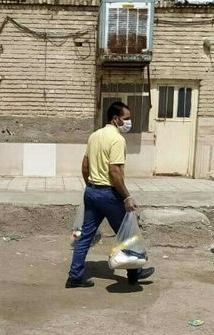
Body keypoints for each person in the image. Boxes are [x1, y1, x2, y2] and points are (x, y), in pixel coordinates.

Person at [66, 101, 154, 288]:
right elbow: (114, 171)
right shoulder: (117, 139)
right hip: (109, 194)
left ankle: (74, 277)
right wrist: (126, 196)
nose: (129, 122)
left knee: (85, 236)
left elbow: (84, 166)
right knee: (127, 234)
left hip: (91, 191)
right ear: (115, 119)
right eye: (126, 118)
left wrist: (90, 186)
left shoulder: (94, 136)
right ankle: (135, 272)